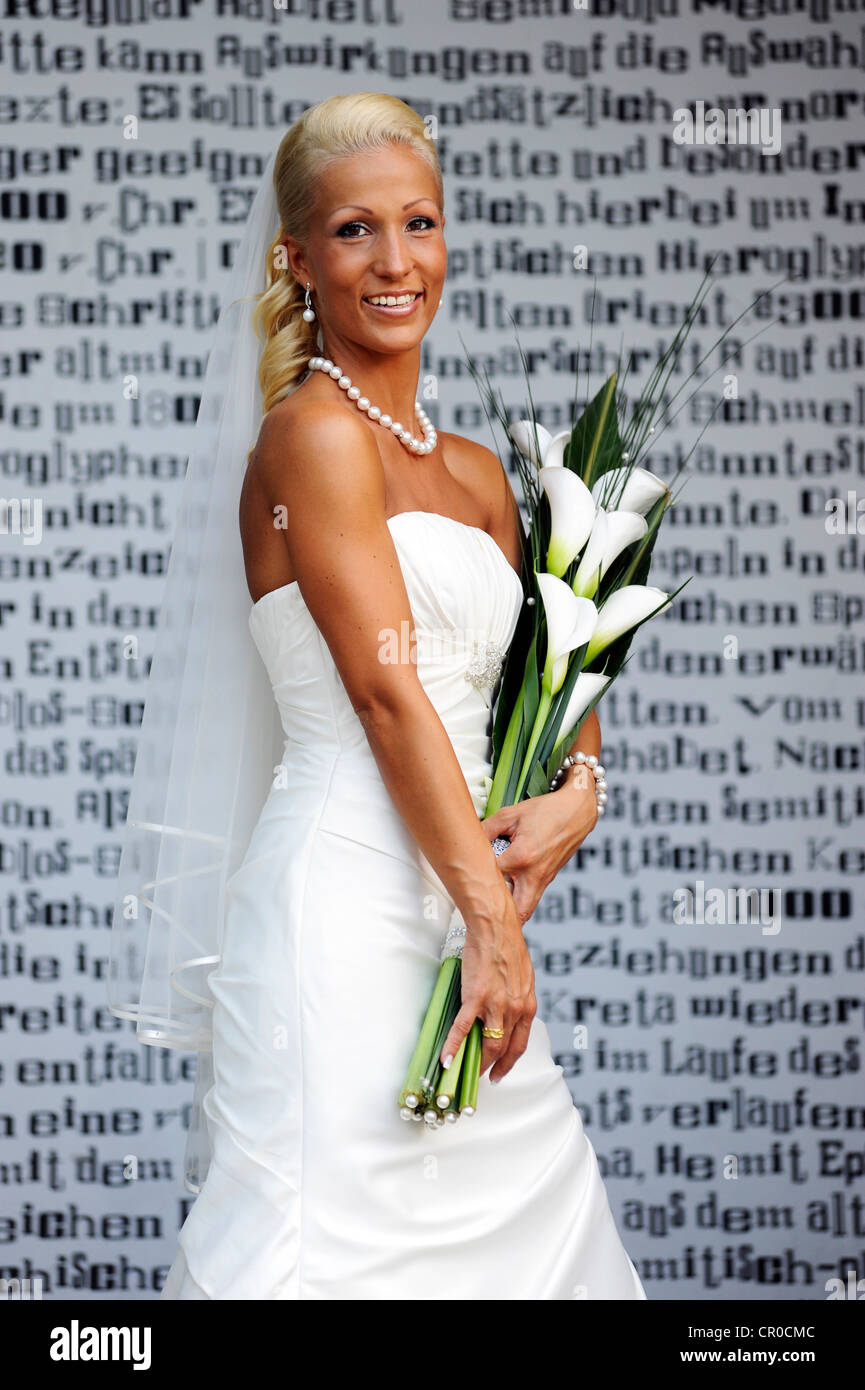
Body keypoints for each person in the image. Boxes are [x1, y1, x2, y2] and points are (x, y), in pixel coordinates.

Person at [112, 92, 646, 1301]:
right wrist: (496, 928)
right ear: (297, 258)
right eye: (355, 232)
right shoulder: (307, 437)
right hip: (348, 910)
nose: (395, 261)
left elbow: (550, 685)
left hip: (464, 919)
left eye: (420, 223)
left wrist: (582, 794)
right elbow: (387, 694)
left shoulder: (473, 473)